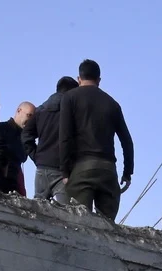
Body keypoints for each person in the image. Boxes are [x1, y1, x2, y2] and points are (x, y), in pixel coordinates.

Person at [59, 59, 134, 219]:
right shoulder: (112, 104)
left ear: (79, 78)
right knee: (107, 227)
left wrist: (65, 171)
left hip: (81, 169)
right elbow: (127, 141)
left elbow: (65, 137)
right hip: (108, 170)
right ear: (99, 80)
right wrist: (127, 173)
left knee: (80, 223)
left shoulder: (70, 98)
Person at [23, 76, 78, 201]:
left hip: (41, 169)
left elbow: (26, 136)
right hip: (61, 171)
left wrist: (36, 156)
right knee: (66, 213)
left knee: (39, 212)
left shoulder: (41, 111)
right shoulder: (71, 112)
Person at [0, 102, 36, 195]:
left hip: (15, 181)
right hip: (1, 180)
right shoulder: (1, 129)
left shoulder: (27, 137)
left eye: (33, 119)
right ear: (19, 111)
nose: (30, 120)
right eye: (29, 115)